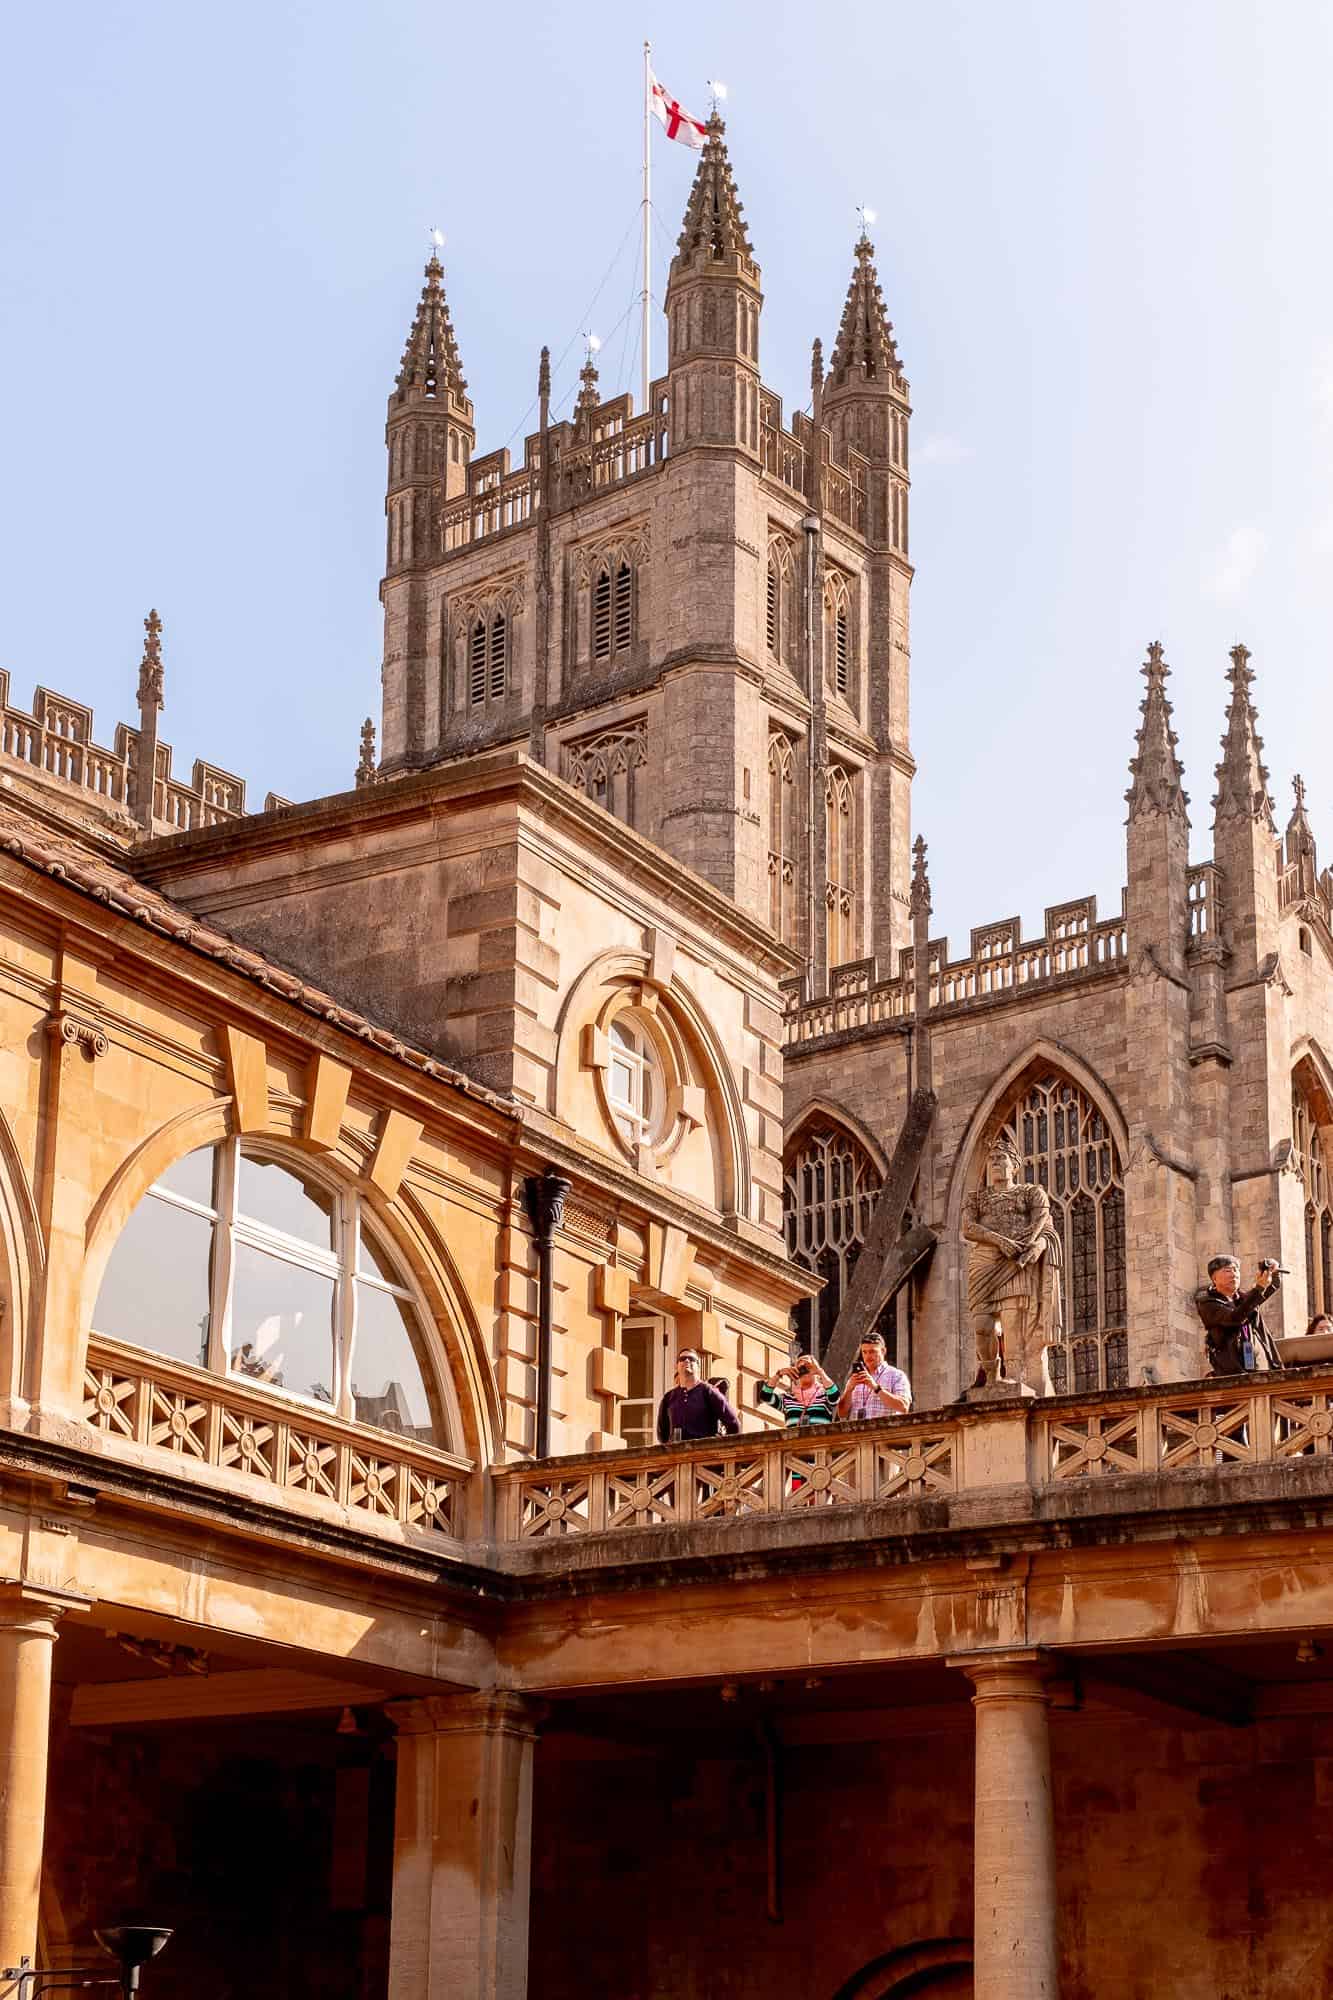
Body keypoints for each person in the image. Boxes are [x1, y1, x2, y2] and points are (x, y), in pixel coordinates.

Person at [1194, 1255, 1284, 1375]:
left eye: (1236, 1270)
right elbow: (1234, 1318)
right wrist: (1259, 1288)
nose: (1234, 1274)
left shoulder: (1243, 1299)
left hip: (1261, 1366)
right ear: (1214, 1278)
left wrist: (1272, 1271)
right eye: (1227, 1270)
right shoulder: (1207, 1304)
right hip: (1233, 1369)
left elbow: (1271, 1287)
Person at [656, 1350, 741, 1443]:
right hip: (676, 1455)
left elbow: (734, 1424)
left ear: (698, 1366)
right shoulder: (669, 1397)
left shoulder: (708, 1391)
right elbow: (662, 1434)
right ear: (676, 1366)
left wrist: (719, 1447)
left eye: (691, 1359)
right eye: (682, 1359)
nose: (687, 1361)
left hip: (704, 1454)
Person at [835, 1332, 911, 1421]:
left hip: (884, 1432)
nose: (867, 1356)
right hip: (857, 1433)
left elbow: (904, 1407)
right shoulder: (856, 1377)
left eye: (872, 1351)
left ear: (883, 1351)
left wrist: (875, 1387)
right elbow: (842, 1414)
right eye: (864, 1352)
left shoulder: (897, 1375)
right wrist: (848, 1390)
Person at [757, 1353, 840, 1427]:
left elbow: (835, 1397)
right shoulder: (787, 1398)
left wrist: (820, 1371)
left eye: (807, 1367)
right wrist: (779, 1374)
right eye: (800, 1368)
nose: (804, 1370)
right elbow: (765, 1396)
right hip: (794, 1443)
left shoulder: (824, 1395)